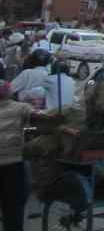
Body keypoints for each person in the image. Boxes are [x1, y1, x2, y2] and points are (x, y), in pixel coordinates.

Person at [0, 80, 40, 231]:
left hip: (13, 163)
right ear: (9, 93)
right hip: (13, 164)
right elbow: (36, 116)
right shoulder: (20, 107)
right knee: (13, 207)